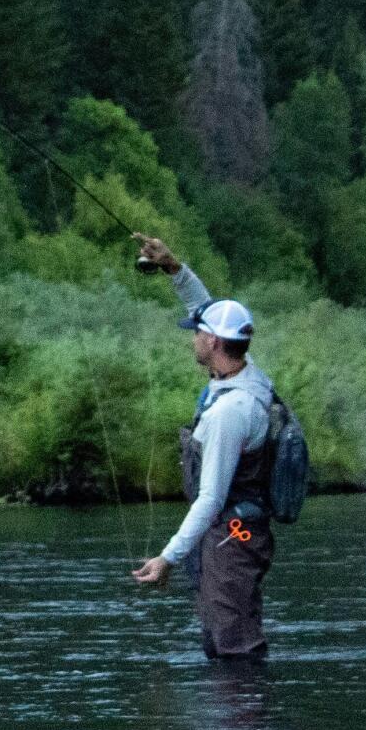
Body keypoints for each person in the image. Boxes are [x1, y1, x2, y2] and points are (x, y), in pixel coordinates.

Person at [128, 235, 277, 661]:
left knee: (235, 648)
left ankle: (245, 724)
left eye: (198, 333)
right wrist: (173, 268)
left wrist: (167, 558)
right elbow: (208, 311)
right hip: (233, 533)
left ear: (213, 343)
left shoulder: (232, 411)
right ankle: (233, 722)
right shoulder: (243, 375)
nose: (192, 336)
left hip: (234, 535)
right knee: (224, 639)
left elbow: (211, 497)